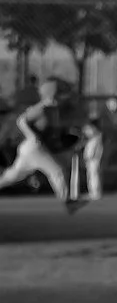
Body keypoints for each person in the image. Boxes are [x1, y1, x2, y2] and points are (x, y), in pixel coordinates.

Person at [0, 78, 81, 212]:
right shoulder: (43, 107)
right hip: (34, 147)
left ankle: (68, 202)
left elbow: (53, 132)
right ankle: (68, 203)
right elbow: (21, 121)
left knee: (13, 176)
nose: (63, 95)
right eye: (60, 92)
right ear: (53, 93)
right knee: (57, 171)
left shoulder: (54, 109)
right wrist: (32, 135)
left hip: (31, 148)